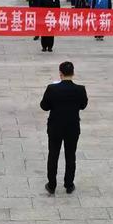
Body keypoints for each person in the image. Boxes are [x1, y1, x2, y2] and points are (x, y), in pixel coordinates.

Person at [40, 62, 88, 194]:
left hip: (55, 126)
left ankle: (52, 185)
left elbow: (44, 106)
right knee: (70, 155)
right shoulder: (80, 89)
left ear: (60, 73)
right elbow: (83, 105)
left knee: (53, 155)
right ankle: (69, 184)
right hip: (72, 127)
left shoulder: (52, 89)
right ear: (73, 73)